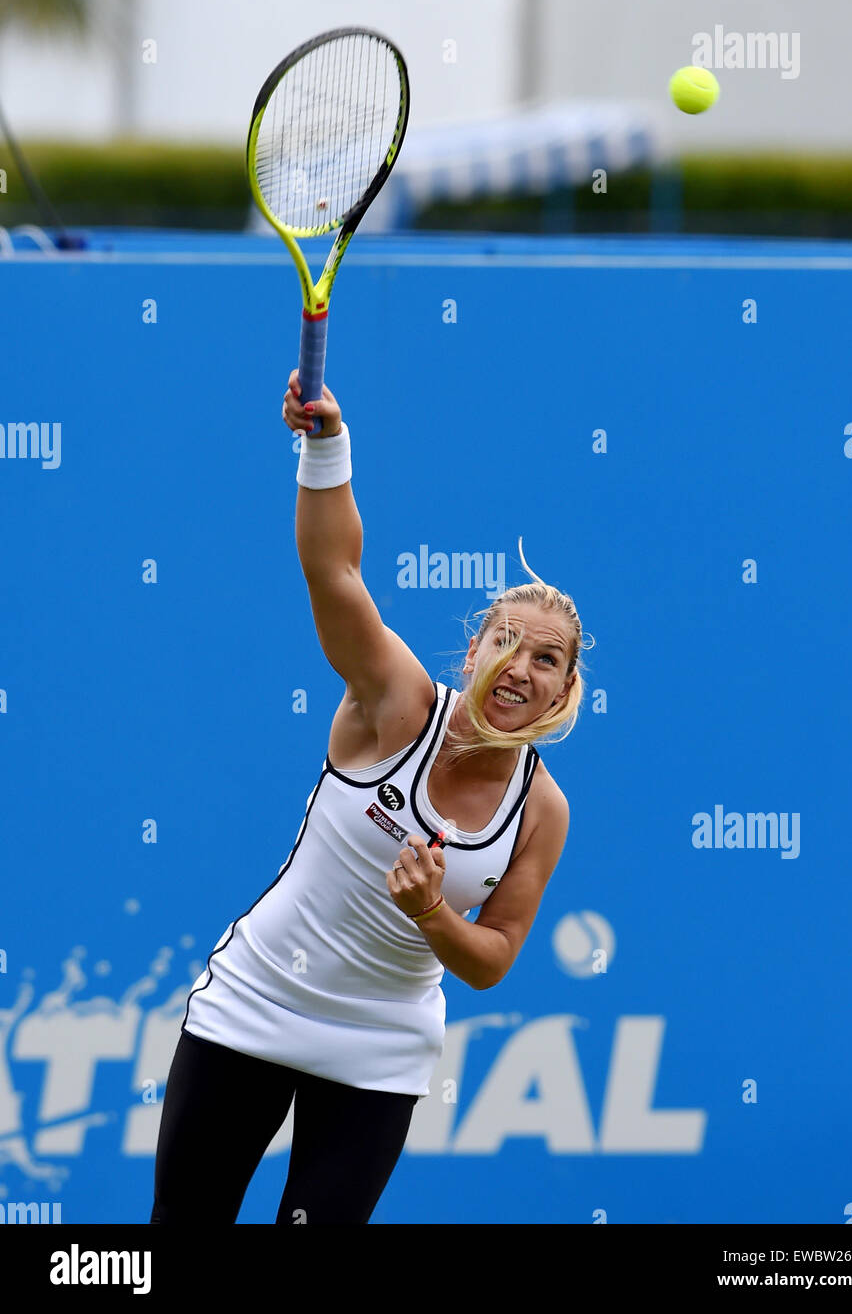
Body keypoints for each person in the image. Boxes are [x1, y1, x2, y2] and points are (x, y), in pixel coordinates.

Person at [149, 373, 590, 1225]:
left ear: (564, 693)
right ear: (474, 651)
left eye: (547, 661)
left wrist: (431, 913)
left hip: (379, 1052)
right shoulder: (394, 702)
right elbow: (332, 566)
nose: (521, 667)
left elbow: (493, 959)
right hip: (256, 1003)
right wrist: (327, 445)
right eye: (508, 641)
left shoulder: (542, 812)